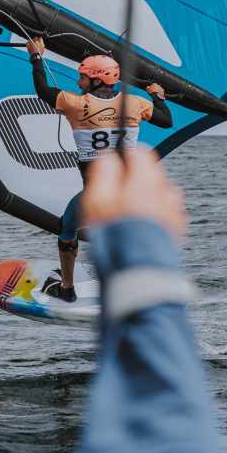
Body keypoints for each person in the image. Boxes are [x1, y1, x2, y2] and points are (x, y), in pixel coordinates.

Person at [76, 146, 226, 453]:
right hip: (130, 234)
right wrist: (145, 247)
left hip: (102, 184)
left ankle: (67, 286)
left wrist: (133, 247)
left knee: (71, 230)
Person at [27, 37, 172, 302]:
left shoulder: (74, 104)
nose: (78, 82)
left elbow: (42, 90)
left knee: (67, 230)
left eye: (82, 77)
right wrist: (158, 96)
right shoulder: (135, 104)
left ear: (96, 79)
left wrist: (36, 57)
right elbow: (166, 121)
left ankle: (67, 289)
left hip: (95, 194)